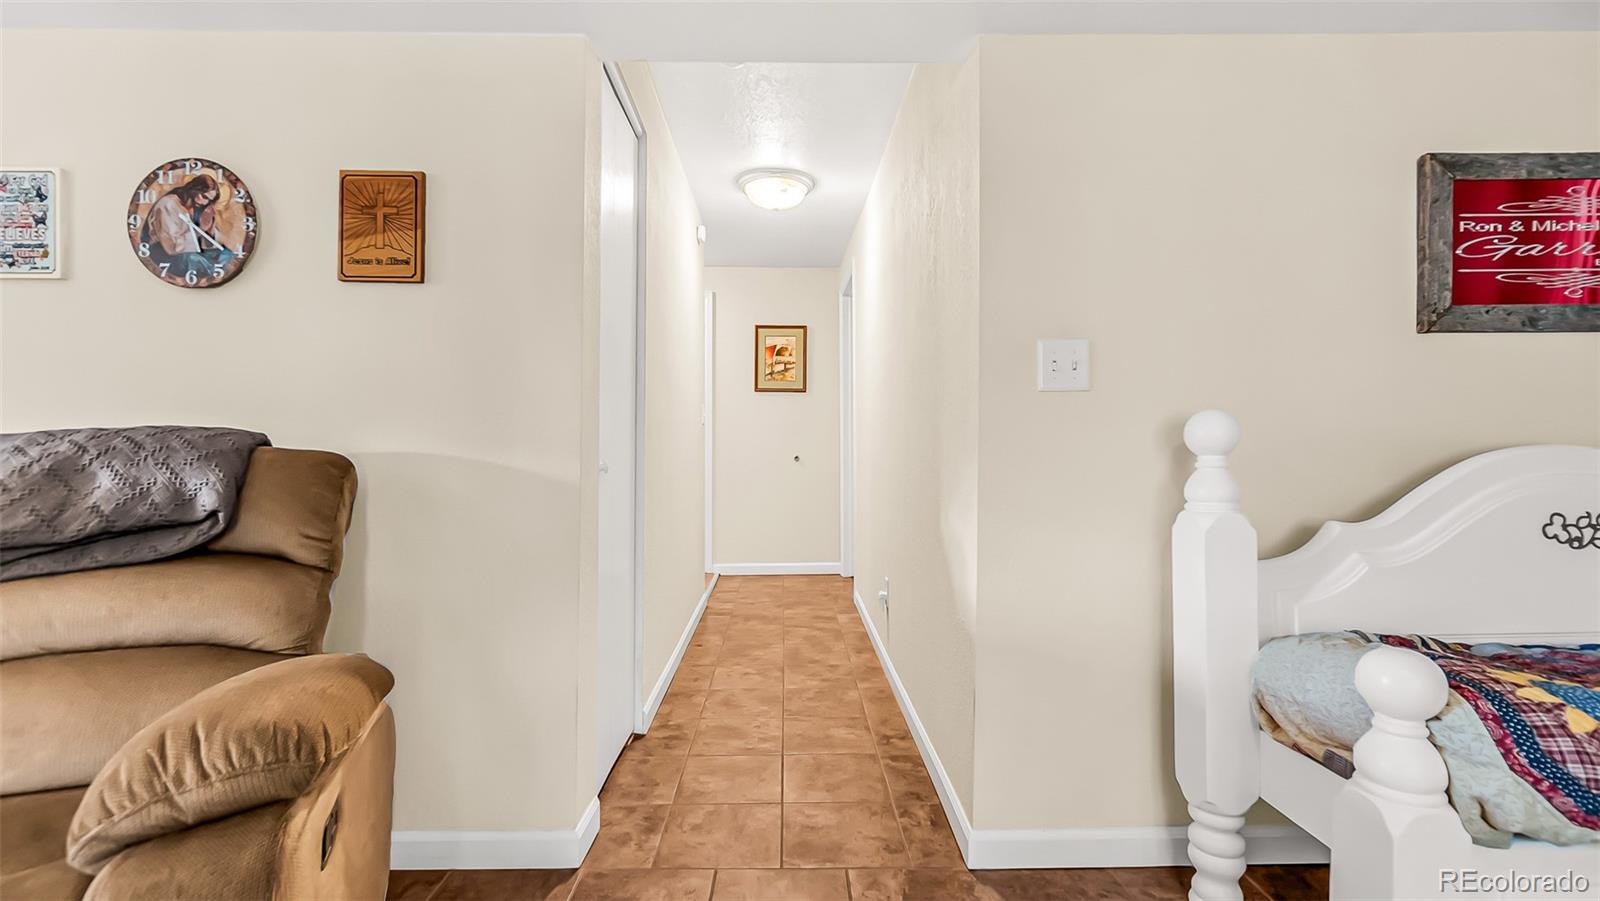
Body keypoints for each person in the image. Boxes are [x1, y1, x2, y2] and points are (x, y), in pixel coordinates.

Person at [142, 174, 233, 279]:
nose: (205, 202)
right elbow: (171, 246)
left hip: (188, 250)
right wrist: (201, 229)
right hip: (166, 253)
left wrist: (210, 229)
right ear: (195, 188)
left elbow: (204, 240)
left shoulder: (195, 205)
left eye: (209, 200)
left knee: (226, 254)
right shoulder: (168, 204)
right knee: (198, 261)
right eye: (204, 196)